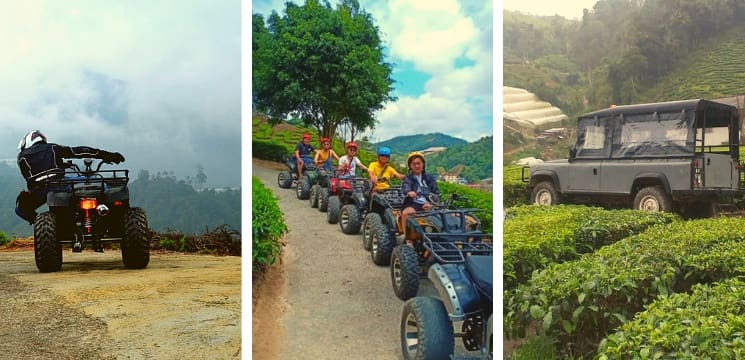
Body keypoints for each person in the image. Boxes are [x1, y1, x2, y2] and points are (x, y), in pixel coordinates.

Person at [15, 130, 125, 224]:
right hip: (61, 183)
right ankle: (108, 212)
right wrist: (110, 155)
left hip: (40, 190)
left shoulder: (21, 157)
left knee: (20, 210)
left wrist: (42, 223)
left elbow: (29, 178)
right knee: (97, 184)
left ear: (26, 142)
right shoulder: (53, 147)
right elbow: (80, 151)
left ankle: (43, 223)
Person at [400, 151, 439, 244]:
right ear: (410, 166)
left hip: (428, 203)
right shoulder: (408, 178)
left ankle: (435, 239)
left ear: (423, 165)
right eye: (414, 164)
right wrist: (409, 192)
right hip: (414, 203)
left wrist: (430, 203)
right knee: (406, 213)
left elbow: (436, 192)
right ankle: (408, 239)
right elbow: (406, 187)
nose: (417, 166)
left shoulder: (429, 177)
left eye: (419, 163)